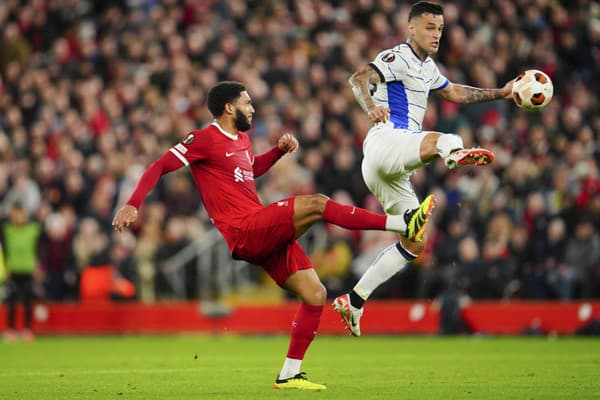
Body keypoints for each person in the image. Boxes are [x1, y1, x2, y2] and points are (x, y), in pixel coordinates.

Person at [112, 81, 433, 390]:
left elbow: (249, 170)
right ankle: (403, 223)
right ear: (228, 107)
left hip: (259, 232)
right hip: (245, 228)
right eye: (247, 102)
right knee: (318, 203)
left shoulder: (240, 140)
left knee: (315, 294)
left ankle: (289, 375)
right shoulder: (203, 139)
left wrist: (277, 152)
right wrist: (132, 203)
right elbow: (159, 165)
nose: (252, 109)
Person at [333, 1, 514, 336]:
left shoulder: (427, 67)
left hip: (389, 170)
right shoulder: (397, 56)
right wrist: (371, 106)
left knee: (415, 243)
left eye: (440, 29)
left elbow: (456, 92)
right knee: (447, 138)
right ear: (411, 28)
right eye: (430, 27)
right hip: (386, 141)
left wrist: (502, 93)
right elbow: (358, 78)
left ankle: (354, 300)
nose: (436, 35)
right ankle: (452, 156)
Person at [2, 202, 41, 342]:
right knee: (11, 302)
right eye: (15, 214)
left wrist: (38, 266)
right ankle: (11, 330)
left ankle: (27, 329)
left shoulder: (33, 229)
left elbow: (39, 249)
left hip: (28, 269)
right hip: (12, 269)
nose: (18, 217)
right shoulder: (7, 230)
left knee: (28, 301)